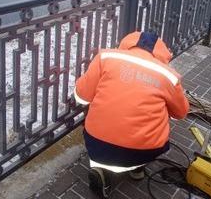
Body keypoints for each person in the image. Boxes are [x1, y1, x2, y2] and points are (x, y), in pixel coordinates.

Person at [73, 30, 190, 198]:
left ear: (127, 43)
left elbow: (81, 96)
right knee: (157, 116)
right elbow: (180, 113)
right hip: (143, 150)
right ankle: (137, 168)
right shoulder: (168, 76)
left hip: (97, 142)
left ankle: (101, 170)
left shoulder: (106, 57)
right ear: (162, 53)